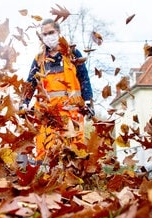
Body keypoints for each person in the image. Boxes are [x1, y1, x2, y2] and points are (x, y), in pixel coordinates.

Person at [21, 18, 94, 163]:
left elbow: (84, 78)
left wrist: (88, 101)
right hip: (48, 117)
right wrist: (24, 103)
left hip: (71, 114)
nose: (48, 37)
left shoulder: (72, 54)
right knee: (46, 154)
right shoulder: (39, 59)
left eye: (51, 32)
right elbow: (31, 83)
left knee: (73, 154)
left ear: (58, 32)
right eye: (44, 34)